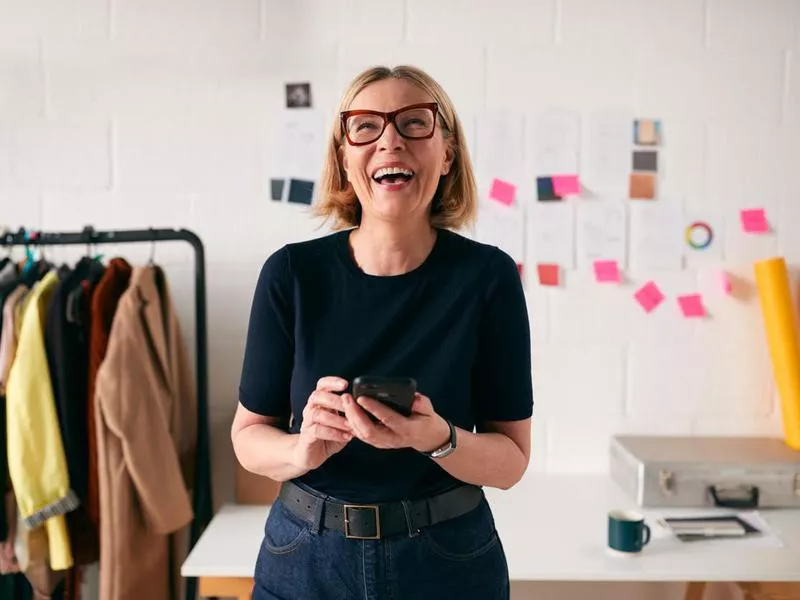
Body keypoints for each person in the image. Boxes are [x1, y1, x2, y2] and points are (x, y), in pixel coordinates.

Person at [232, 64, 533, 600]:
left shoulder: (488, 277)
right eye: (365, 126)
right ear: (344, 160)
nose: (390, 139)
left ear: (447, 154)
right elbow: (248, 436)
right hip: (306, 556)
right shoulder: (291, 274)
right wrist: (304, 450)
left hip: (447, 559)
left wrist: (434, 438)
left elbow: (510, 462)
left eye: (415, 123)